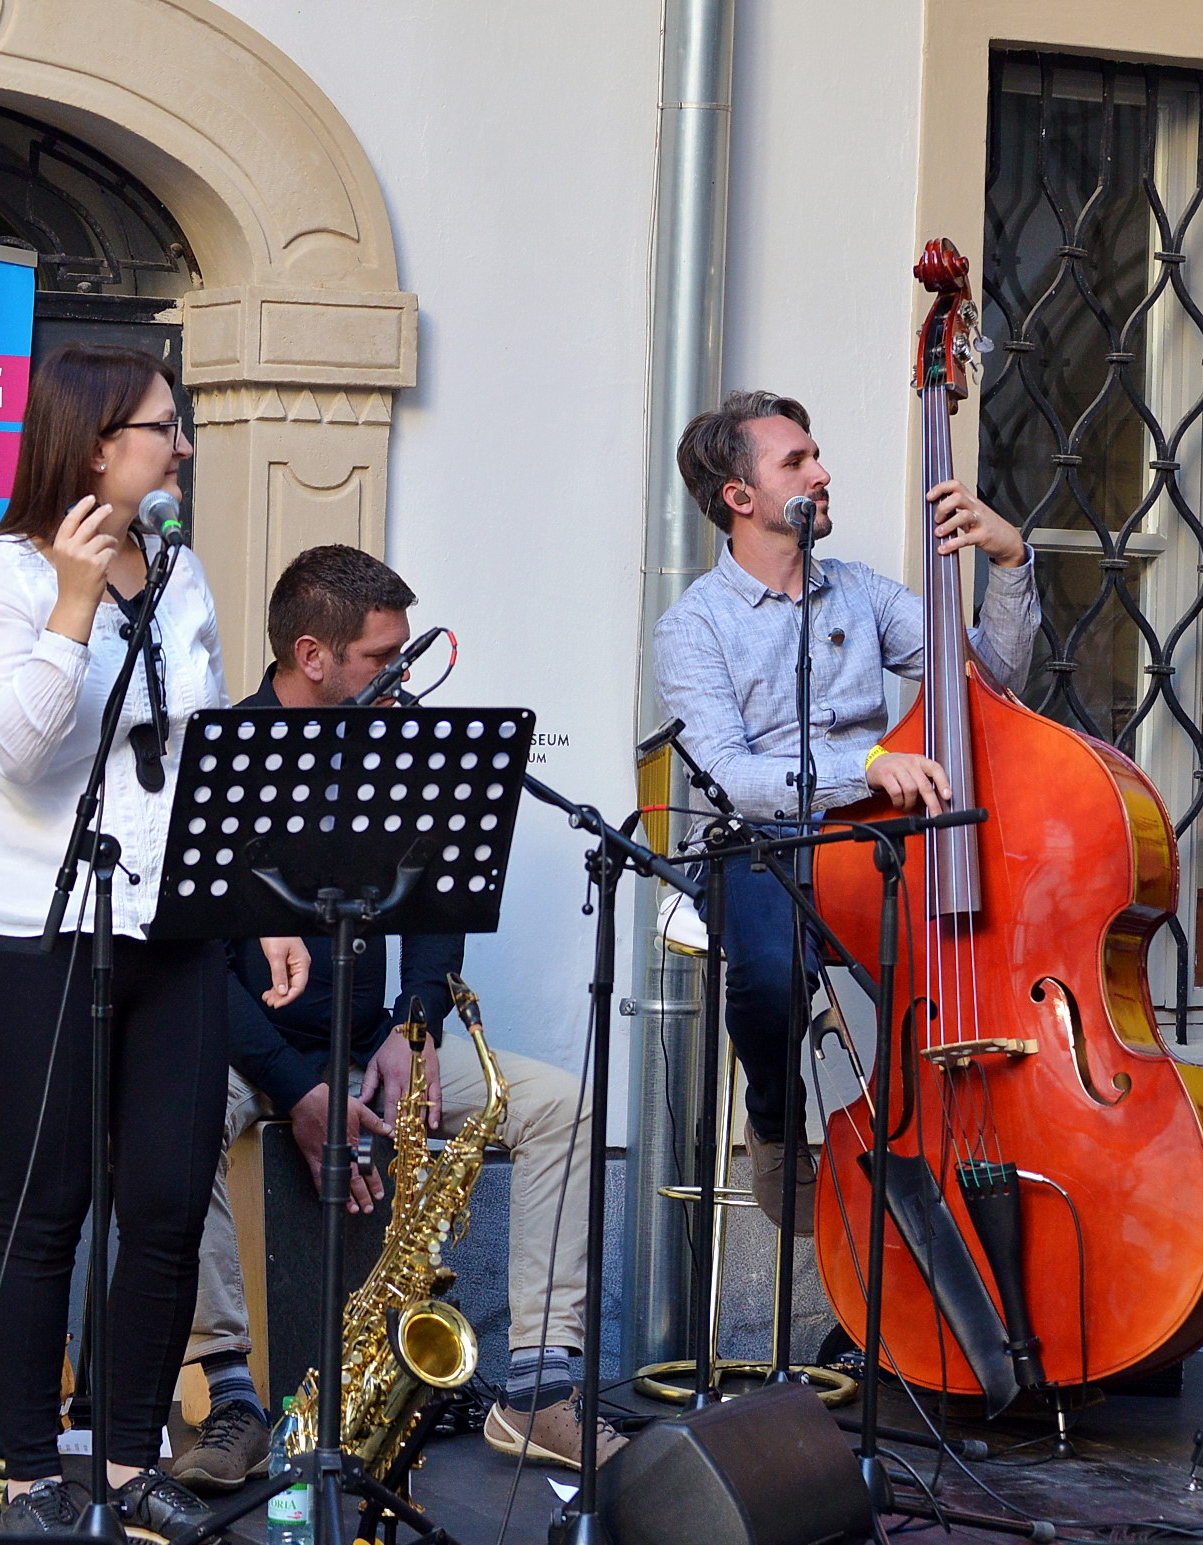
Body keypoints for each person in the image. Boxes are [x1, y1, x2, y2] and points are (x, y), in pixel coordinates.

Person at [0, 343, 310, 1539]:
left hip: (177, 927)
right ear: (99, 442)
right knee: (44, 1206)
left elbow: (201, 758)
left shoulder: (182, 573)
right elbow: (14, 755)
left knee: (164, 1203)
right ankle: (31, 1475)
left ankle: (124, 1457)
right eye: (165, 425)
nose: (184, 444)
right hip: (41, 936)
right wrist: (72, 602)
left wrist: (257, 906)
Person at [171, 545, 614, 1486]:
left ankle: (538, 1390)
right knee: (176, 1121)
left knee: (560, 1106)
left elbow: (437, 906)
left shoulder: (396, 744)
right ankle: (232, 1398)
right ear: (312, 655)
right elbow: (198, 966)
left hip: (371, 1042)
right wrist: (298, 1091)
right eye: (382, 659)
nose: (401, 680)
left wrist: (415, 1030)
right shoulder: (225, 759)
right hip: (249, 1052)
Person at [652, 390, 1037, 1231]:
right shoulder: (694, 626)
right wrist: (863, 764)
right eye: (796, 462)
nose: (822, 473)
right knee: (768, 968)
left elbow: (990, 680)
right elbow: (729, 774)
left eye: (816, 454)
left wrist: (1010, 562)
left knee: (974, 933)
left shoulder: (860, 592)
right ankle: (776, 1118)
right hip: (766, 838)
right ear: (739, 496)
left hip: (876, 832)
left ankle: (963, 1122)